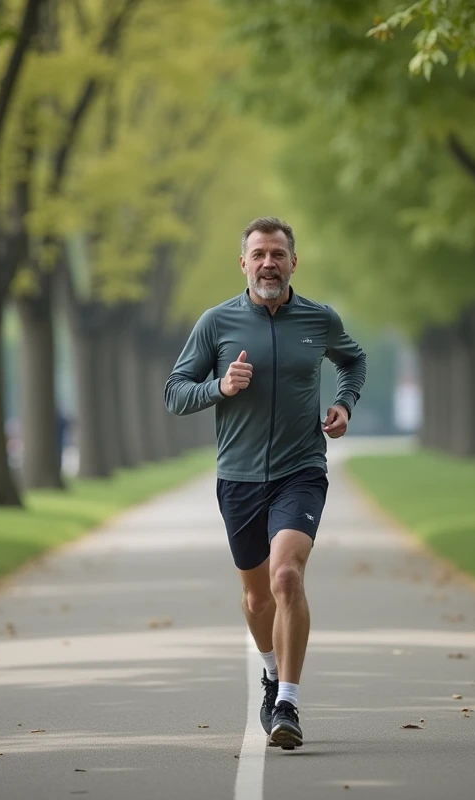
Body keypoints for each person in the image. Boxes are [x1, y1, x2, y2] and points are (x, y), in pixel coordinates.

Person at [164, 216, 367, 750]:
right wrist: (220, 386)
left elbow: (354, 360)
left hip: (301, 471)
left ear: (293, 261)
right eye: (259, 254)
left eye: (278, 254)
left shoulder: (318, 320)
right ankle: (272, 672)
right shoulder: (216, 322)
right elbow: (174, 392)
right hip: (239, 478)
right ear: (244, 263)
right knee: (257, 601)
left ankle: (288, 704)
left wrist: (344, 403)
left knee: (286, 578)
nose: (269, 263)